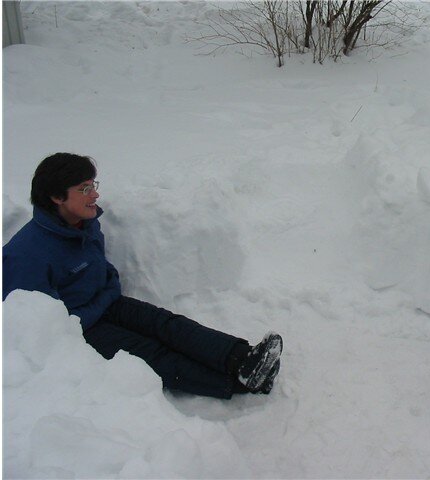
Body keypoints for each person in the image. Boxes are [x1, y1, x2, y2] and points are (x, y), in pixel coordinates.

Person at [3, 153, 283, 399]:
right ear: (56, 197)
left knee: (167, 324)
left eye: (93, 185)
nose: (95, 195)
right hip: (80, 329)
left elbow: (100, 264)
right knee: (150, 354)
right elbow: (44, 325)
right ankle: (238, 384)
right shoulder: (26, 256)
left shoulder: (84, 224)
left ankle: (243, 359)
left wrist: (109, 284)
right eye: (84, 188)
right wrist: (100, 302)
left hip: (107, 302)